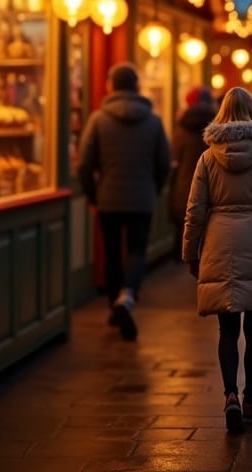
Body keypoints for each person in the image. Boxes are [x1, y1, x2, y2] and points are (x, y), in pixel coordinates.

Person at [182, 86, 252, 434]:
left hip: (218, 245)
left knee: (227, 330)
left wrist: (190, 252)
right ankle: (249, 400)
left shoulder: (207, 158)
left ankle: (229, 394)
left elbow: (195, 210)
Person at [77, 62, 171, 341]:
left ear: (112, 86)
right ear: (136, 86)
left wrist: (92, 193)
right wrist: (154, 187)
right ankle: (127, 296)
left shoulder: (98, 119)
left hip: (108, 197)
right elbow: (164, 162)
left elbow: (84, 163)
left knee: (112, 253)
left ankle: (113, 306)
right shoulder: (153, 121)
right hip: (141, 197)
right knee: (136, 252)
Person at [168, 87, 217, 260]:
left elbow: (174, 160)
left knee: (185, 225)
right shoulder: (216, 129)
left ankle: (184, 256)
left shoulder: (181, 130)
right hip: (211, 186)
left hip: (184, 185)